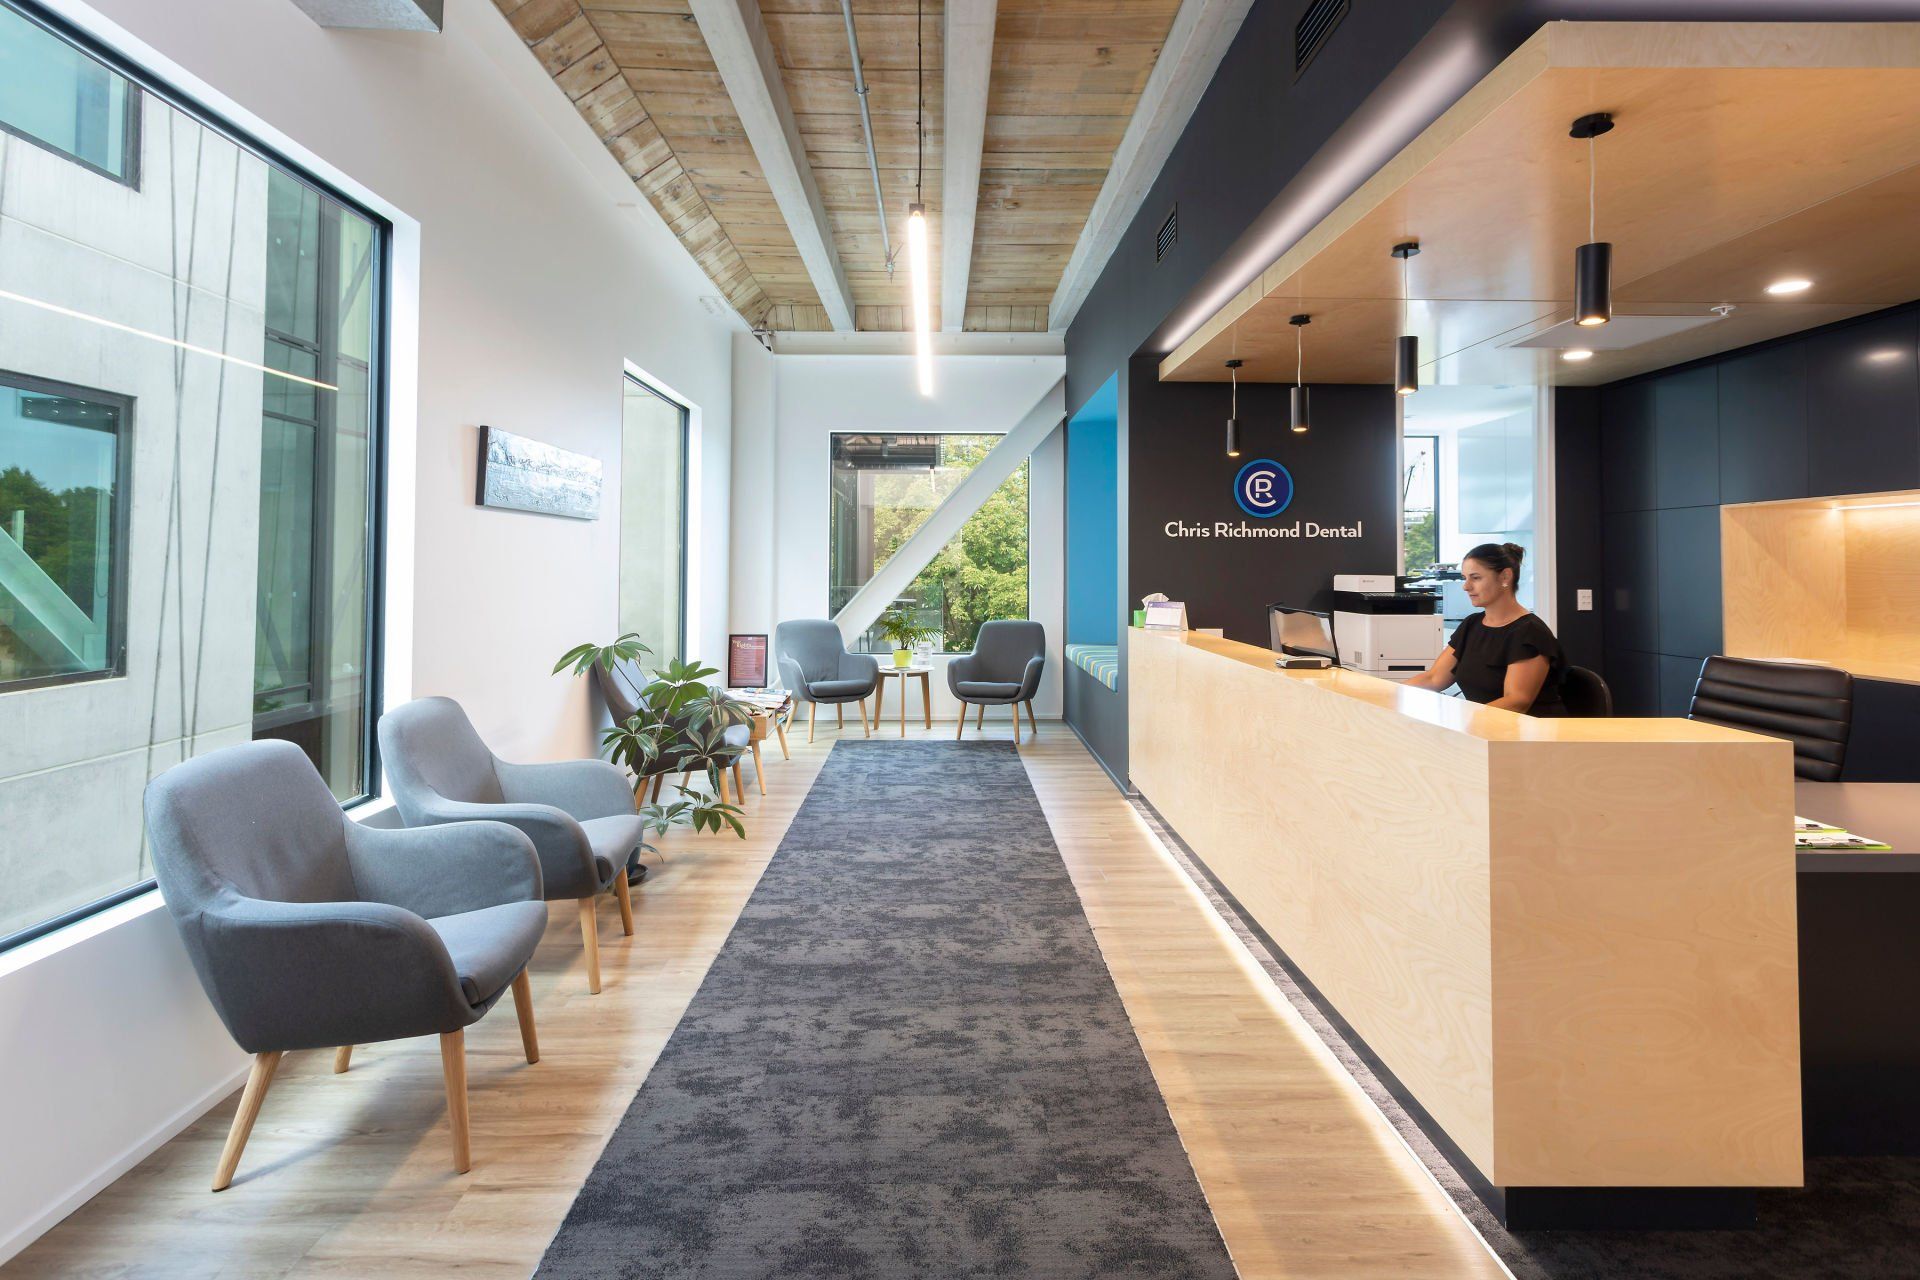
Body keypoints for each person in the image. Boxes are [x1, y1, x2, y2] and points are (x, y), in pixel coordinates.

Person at [1403, 542, 1566, 716]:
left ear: (1505, 577)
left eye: (1475, 577)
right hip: (1484, 729)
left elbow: (1516, 702)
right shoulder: (1471, 624)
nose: (1466, 586)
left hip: (1529, 734)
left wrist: (1464, 719)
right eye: (1465, 578)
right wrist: (1392, 693)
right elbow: (1434, 678)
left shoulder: (1530, 633)